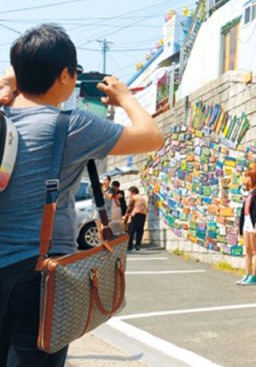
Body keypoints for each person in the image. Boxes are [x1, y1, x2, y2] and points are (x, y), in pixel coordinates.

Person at [0, 24, 163, 366]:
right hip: (40, 277)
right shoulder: (72, 125)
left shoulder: (3, 116)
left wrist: (10, 82)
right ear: (63, 75)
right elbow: (150, 136)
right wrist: (126, 97)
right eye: (73, 73)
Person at [237, 167, 256, 286]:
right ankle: (247, 274)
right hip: (246, 221)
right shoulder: (250, 193)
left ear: (253, 178)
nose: (246, 179)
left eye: (248, 176)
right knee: (248, 249)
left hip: (254, 222)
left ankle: (254, 276)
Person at [125, 186, 148, 251]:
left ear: (133, 192)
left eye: (129, 192)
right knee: (140, 230)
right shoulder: (143, 198)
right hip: (143, 215)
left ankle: (129, 246)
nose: (128, 194)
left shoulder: (134, 198)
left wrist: (126, 214)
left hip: (135, 215)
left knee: (131, 230)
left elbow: (130, 207)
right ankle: (138, 245)